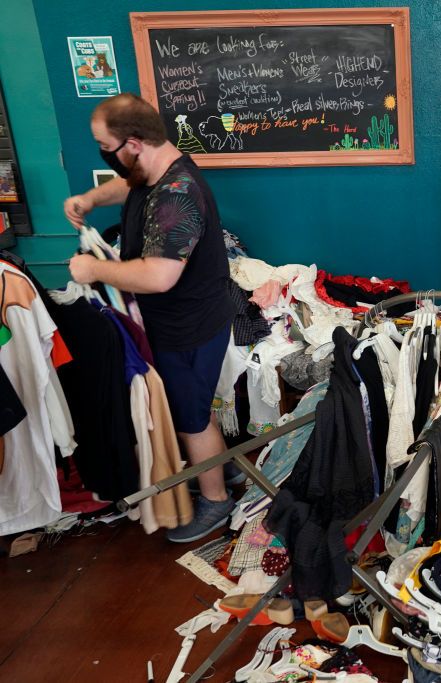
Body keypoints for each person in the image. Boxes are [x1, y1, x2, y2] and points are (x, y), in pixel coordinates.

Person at [64, 93, 239, 542]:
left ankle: (216, 501)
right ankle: (222, 470)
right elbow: (127, 186)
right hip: (183, 321)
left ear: (134, 142)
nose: (104, 154)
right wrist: (89, 198)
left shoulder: (178, 194)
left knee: (189, 417)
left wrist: (94, 269)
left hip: (188, 328)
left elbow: (160, 276)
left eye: (106, 146)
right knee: (196, 406)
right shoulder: (155, 170)